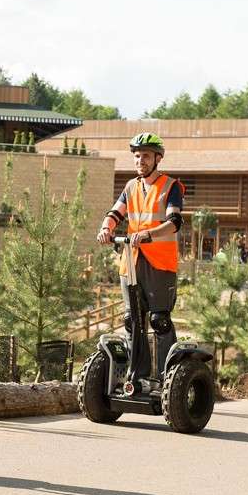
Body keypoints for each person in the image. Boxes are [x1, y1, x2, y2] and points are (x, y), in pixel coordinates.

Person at [96, 132, 185, 384]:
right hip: (131, 260)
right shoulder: (131, 186)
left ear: (157, 158)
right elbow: (115, 212)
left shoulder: (170, 186)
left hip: (160, 263)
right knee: (131, 319)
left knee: (159, 321)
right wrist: (106, 229)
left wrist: (148, 234)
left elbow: (174, 222)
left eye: (145, 155)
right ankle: (138, 377)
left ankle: (169, 379)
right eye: (137, 156)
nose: (140, 160)